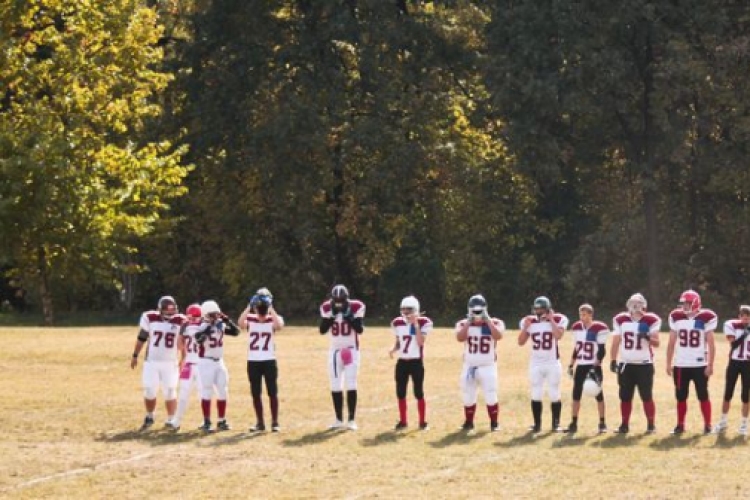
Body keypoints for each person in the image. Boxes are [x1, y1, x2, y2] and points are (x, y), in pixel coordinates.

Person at [131, 296, 187, 430]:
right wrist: (135, 355)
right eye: (167, 312)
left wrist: (183, 358)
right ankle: (150, 415)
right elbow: (142, 337)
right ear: (159, 310)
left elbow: (183, 342)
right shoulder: (150, 318)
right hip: (152, 362)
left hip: (170, 362)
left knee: (170, 391)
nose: (170, 315)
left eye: (172, 312)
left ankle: (171, 418)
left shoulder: (181, 321)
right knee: (150, 390)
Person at [666, 290, 717, 434]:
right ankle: (680, 425)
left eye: (687, 303)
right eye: (683, 303)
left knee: (703, 395)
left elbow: (712, 344)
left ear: (695, 303)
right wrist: (668, 363)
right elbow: (671, 343)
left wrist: (710, 364)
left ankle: (708, 425)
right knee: (681, 396)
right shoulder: (676, 317)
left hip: (700, 364)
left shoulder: (706, 317)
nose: (684, 306)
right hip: (681, 364)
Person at [610, 293, 662, 434]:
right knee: (625, 396)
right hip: (626, 364)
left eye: (638, 303)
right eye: (633, 303)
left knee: (646, 396)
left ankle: (651, 425)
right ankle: (624, 425)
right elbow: (616, 341)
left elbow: (657, 343)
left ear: (643, 305)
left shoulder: (651, 319)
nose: (635, 306)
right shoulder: (620, 319)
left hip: (644, 364)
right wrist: (613, 360)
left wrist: (646, 336)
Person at [518, 296, 568, 433]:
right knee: (536, 393)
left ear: (547, 309)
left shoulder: (558, 319)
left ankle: (556, 424)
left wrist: (551, 320)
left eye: (541, 308)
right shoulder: (529, 321)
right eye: (536, 308)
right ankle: (537, 424)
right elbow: (520, 342)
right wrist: (526, 328)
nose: (538, 311)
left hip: (552, 362)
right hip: (536, 363)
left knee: (554, 393)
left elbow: (558, 336)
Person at [319, 284, 365, 430]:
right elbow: (322, 330)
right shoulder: (326, 308)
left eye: (341, 300)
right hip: (335, 350)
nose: (338, 303)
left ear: (346, 299)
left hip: (350, 349)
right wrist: (332, 316)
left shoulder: (356, 306)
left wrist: (348, 316)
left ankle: (351, 420)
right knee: (335, 384)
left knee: (351, 382)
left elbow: (359, 329)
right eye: (336, 300)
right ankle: (338, 419)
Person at [456, 294, 505, 432]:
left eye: (479, 310)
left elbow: (498, 336)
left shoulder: (495, 322)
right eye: (474, 310)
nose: (477, 314)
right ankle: (468, 422)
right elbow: (459, 338)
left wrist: (487, 320)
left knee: (490, 394)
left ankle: (494, 423)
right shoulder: (463, 323)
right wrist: (469, 322)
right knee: (468, 395)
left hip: (488, 365)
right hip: (470, 365)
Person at [239, 288, 285, 432]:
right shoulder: (251, 318)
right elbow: (240, 323)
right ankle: (260, 422)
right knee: (255, 393)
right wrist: (248, 306)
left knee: (272, 392)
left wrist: (271, 309)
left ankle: (275, 422)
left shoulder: (273, 319)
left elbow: (279, 326)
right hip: (253, 360)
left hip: (269, 359)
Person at [195, 300, 240, 432]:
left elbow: (236, 332)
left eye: (216, 314)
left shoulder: (220, 324)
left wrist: (228, 321)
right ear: (205, 314)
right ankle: (206, 421)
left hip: (219, 361)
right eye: (212, 314)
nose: (215, 317)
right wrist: (210, 327)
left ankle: (221, 420)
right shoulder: (201, 325)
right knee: (207, 390)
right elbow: (199, 339)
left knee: (223, 390)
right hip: (206, 362)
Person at [389, 295, 433, 431]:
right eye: (404, 310)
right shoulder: (397, 322)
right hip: (402, 362)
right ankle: (403, 421)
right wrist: (393, 349)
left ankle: (422, 422)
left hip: (416, 362)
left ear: (415, 310)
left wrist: (415, 325)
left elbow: (420, 342)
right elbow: (399, 341)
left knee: (418, 392)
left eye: (409, 310)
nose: (406, 313)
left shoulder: (424, 322)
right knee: (400, 392)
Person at [564, 303, 609, 434]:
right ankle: (573, 423)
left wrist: (596, 364)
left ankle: (602, 423)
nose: (581, 317)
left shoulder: (599, 328)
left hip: (593, 365)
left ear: (590, 314)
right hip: (581, 366)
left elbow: (602, 350)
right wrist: (571, 364)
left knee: (598, 395)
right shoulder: (577, 327)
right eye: (580, 314)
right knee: (576, 395)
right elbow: (577, 348)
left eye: (584, 314)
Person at [166, 303, 204, 430]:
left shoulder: (204, 326)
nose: (192, 321)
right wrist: (181, 332)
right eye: (190, 318)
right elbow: (180, 347)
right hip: (188, 363)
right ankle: (176, 421)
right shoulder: (186, 327)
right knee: (183, 394)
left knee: (203, 394)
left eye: (195, 318)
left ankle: (206, 420)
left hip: (201, 365)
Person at [714, 305, 750, 435]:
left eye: (748, 318)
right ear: (739, 317)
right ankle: (723, 422)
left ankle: (744, 424)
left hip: (748, 364)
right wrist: (743, 335)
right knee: (728, 393)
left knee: (745, 395)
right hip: (734, 363)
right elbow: (734, 345)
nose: (746, 320)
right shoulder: (732, 325)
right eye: (744, 317)